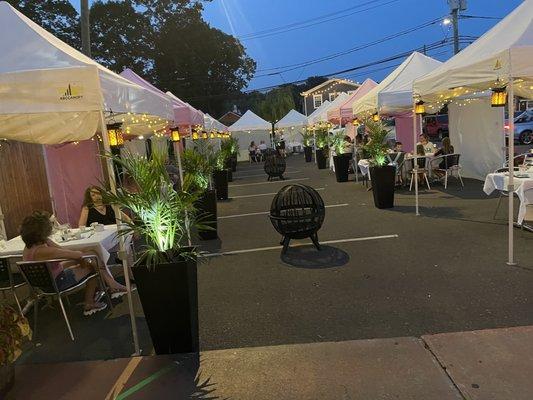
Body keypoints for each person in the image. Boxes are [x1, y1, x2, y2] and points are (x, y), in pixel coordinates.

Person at [21, 211, 128, 315]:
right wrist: (83, 257)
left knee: (89, 257)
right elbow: (76, 255)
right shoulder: (45, 251)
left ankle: (110, 284)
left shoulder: (28, 248)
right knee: (93, 261)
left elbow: (62, 251)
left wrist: (47, 240)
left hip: (44, 282)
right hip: (57, 282)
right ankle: (96, 297)